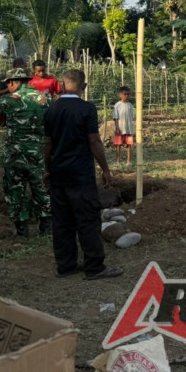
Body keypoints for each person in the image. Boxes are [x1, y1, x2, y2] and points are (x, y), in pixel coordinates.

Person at [43, 69, 123, 280]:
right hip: (80, 175)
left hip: (59, 175)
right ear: (83, 87)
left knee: (62, 222)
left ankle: (66, 265)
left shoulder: (52, 109)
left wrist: (47, 170)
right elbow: (94, 141)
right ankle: (95, 267)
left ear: (62, 85)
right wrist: (105, 169)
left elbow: (48, 144)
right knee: (87, 220)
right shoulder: (86, 108)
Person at [0, 67, 51, 237]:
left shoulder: (6, 100)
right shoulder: (45, 98)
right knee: (40, 187)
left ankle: (22, 229)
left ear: (12, 82)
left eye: (8, 84)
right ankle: (46, 226)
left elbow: (2, 121)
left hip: (14, 152)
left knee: (15, 188)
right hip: (37, 151)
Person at [0, 57, 27, 127]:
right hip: (10, 107)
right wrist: (10, 89)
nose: (26, 68)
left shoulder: (25, 76)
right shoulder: (5, 77)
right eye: (24, 66)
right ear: (18, 65)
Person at [113, 86, 135, 166]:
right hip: (120, 129)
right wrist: (117, 128)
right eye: (125, 94)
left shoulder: (130, 105)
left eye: (128, 94)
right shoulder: (117, 105)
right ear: (120, 95)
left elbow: (132, 118)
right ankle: (118, 161)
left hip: (128, 129)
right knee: (118, 145)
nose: (126, 96)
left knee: (129, 144)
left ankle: (129, 161)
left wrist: (133, 129)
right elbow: (115, 118)